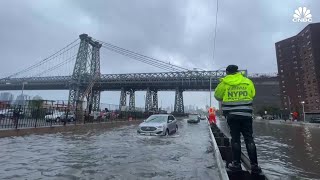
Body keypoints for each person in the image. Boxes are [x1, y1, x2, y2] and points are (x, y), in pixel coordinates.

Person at [214, 65, 262, 173]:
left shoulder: (224, 82)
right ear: (237, 71)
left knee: (235, 139)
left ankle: (236, 164)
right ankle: (255, 166)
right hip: (246, 115)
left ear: (227, 72)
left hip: (232, 115)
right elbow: (252, 94)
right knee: (249, 138)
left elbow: (217, 96)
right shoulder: (247, 81)